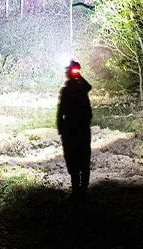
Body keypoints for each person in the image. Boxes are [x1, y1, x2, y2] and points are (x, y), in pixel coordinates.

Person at [57, 59, 92, 197]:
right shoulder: (66, 90)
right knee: (73, 159)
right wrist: (60, 127)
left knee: (82, 158)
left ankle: (81, 189)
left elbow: (88, 87)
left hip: (79, 128)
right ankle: (77, 189)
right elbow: (61, 110)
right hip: (73, 129)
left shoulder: (81, 87)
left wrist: (78, 76)